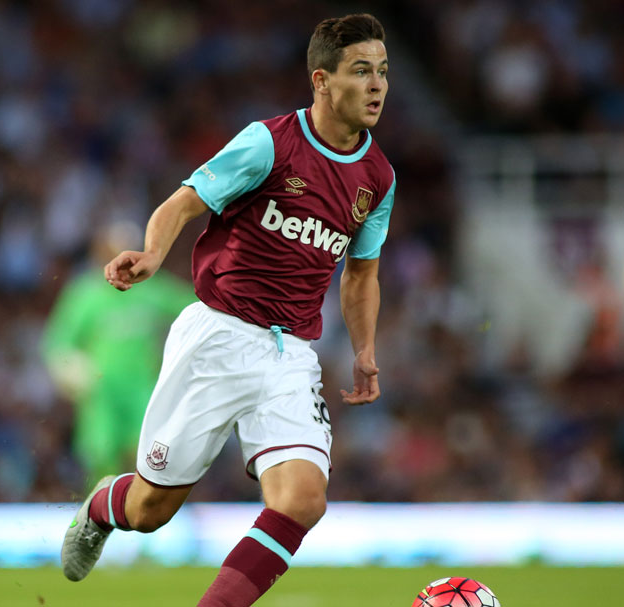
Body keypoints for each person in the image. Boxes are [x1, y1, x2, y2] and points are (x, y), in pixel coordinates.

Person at [59, 14, 395, 607]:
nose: (377, 86)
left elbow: (361, 272)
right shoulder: (269, 142)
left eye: (383, 72)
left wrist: (365, 351)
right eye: (361, 71)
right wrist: (153, 253)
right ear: (322, 80)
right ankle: (98, 509)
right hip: (216, 335)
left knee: (302, 499)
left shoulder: (378, 176)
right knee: (150, 509)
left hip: (290, 352)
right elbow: (183, 202)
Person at [43, 221, 196, 483]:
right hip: (100, 393)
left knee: (147, 460)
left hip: (142, 391)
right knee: (102, 459)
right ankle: (98, 515)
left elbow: (195, 306)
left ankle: (140, 520)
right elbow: (57, 344)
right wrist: (71, 370)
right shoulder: (86, 295)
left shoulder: (152, 290)